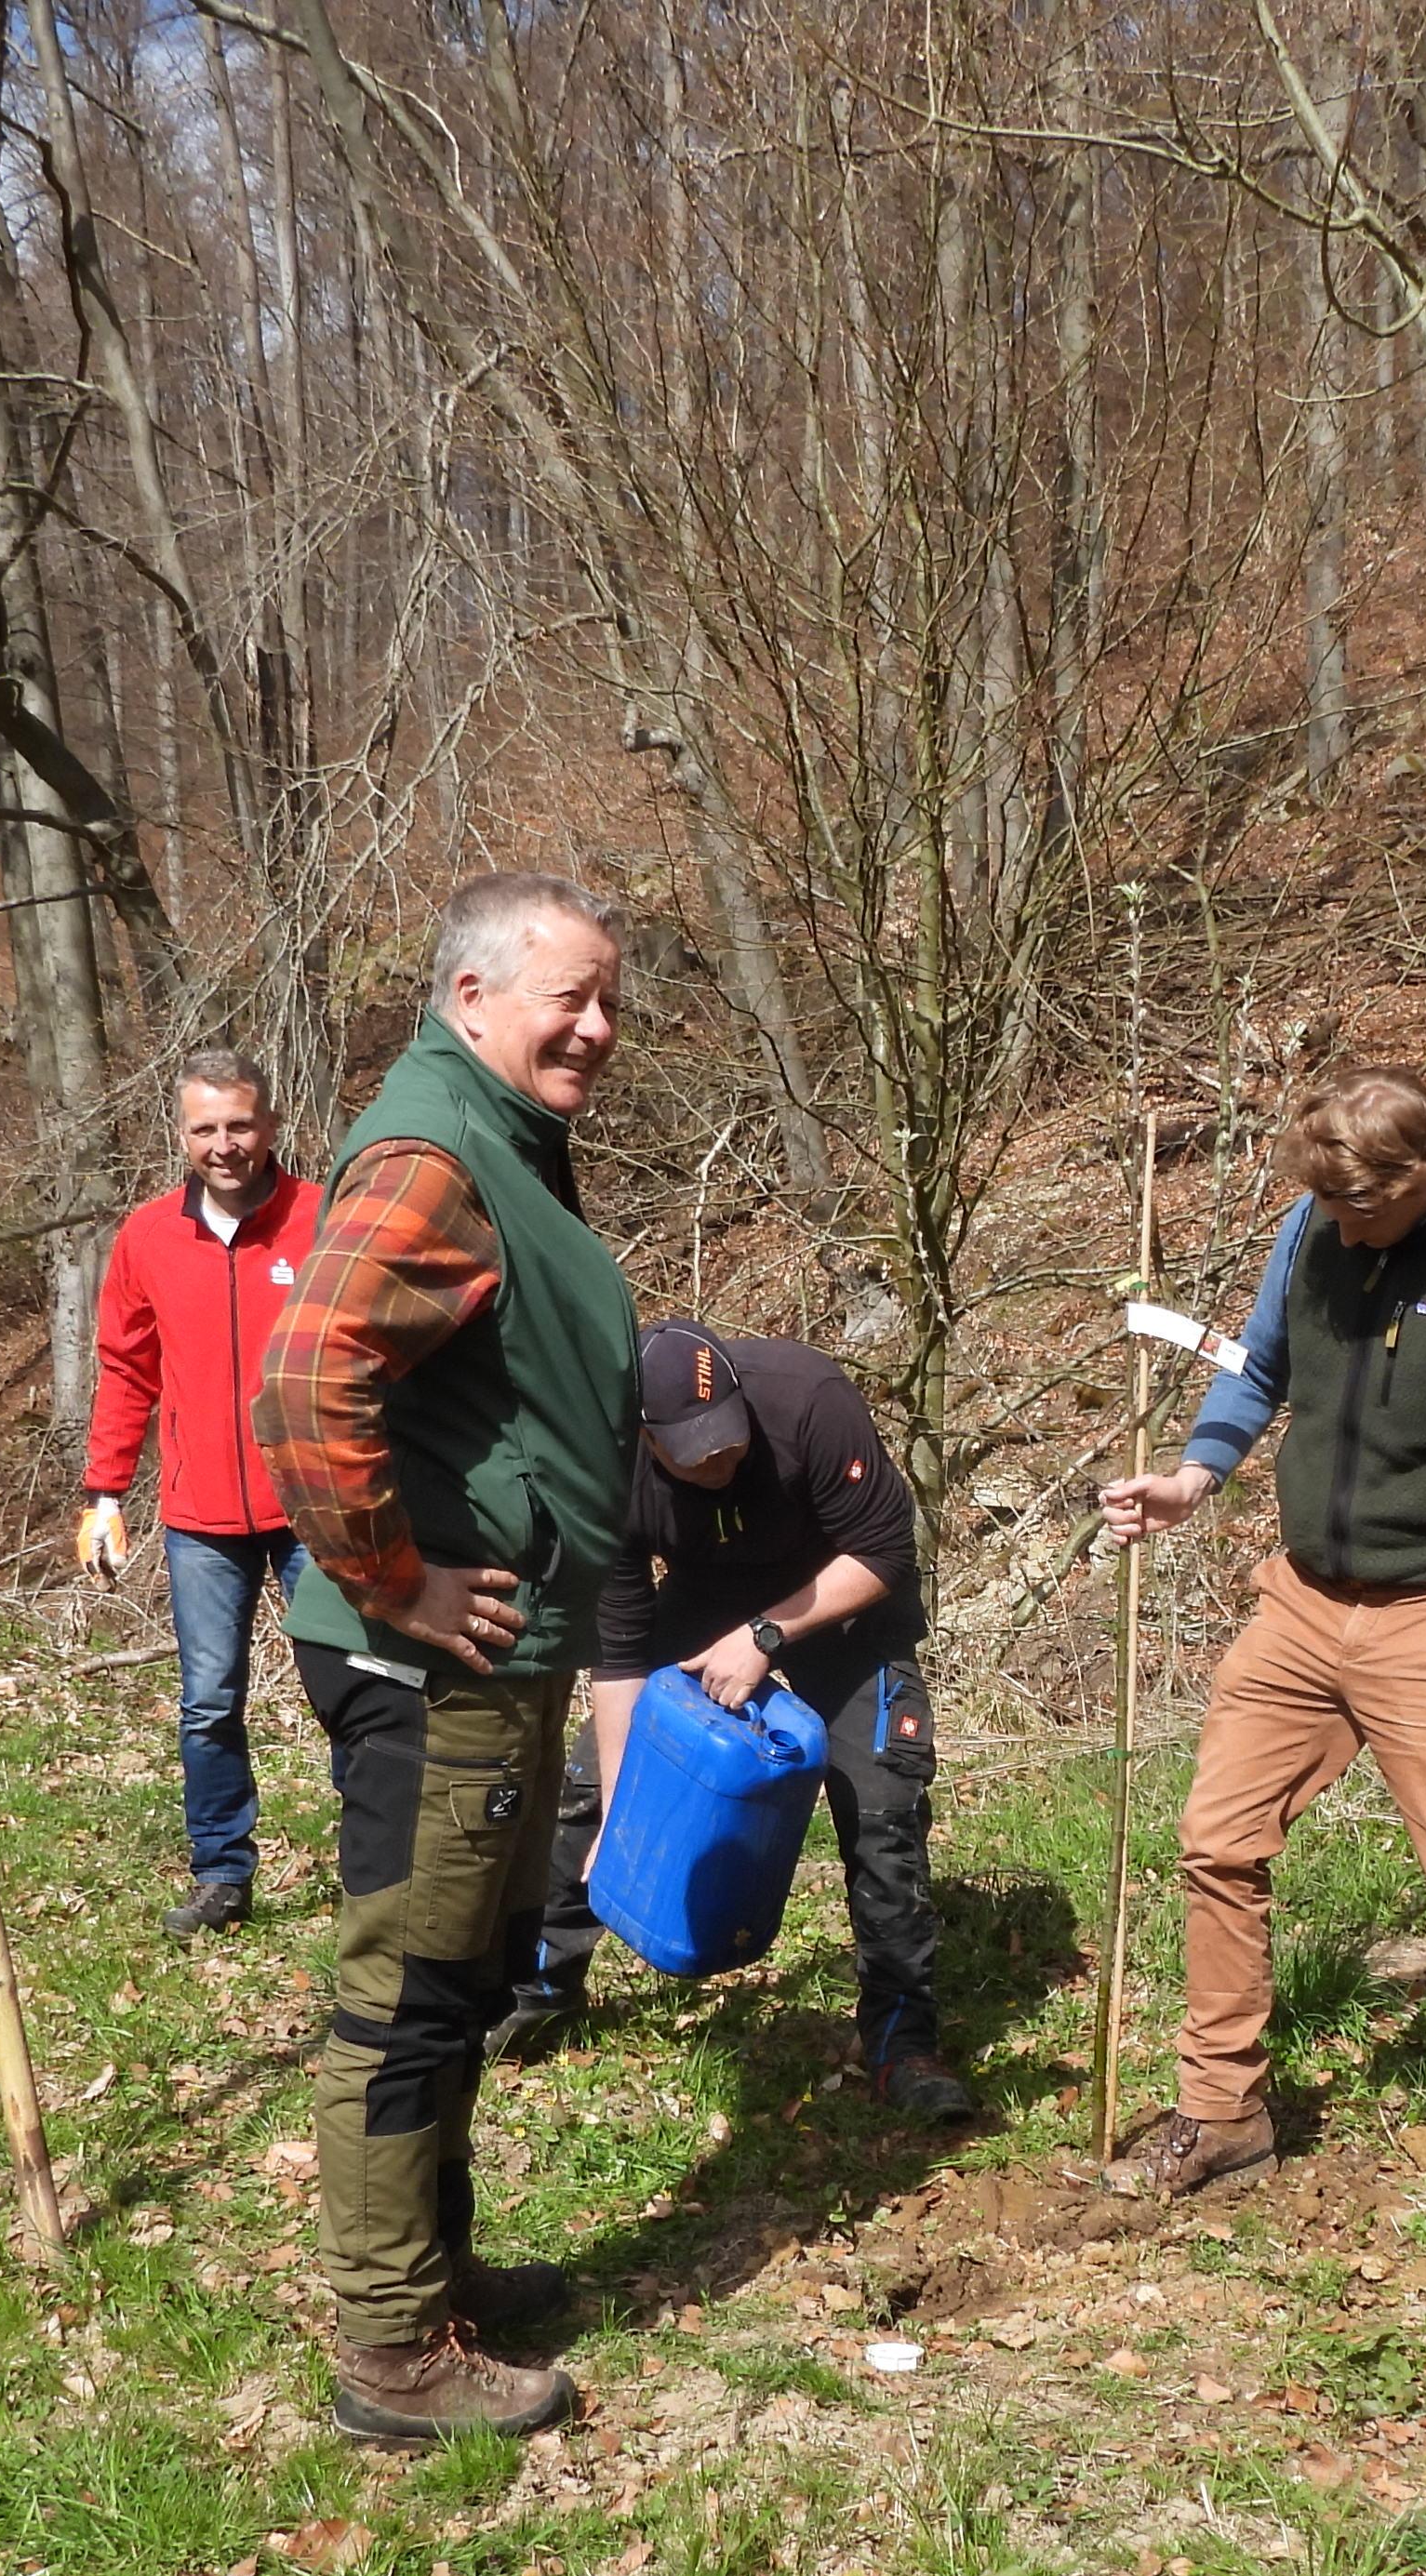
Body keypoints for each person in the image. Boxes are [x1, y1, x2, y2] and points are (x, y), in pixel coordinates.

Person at [248, 874, 642, 2444]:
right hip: (433, 1665)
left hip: (502, 1648)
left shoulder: (500, 1139)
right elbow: (304, 1375)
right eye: (569, 997)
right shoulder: (435, 1152)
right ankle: (391, 2351)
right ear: (472, 998)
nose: (596, 1027)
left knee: (464, 1974)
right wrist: (391, 1578)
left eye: (608, 1001)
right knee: (408, 1993)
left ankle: (437, 2271)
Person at [1099, 1067, 1426, 2210]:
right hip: (1301, 1602)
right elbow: (1260, 1366)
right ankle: (1224, 2111)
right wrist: (1195, 1475)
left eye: (1356, 1208)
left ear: (1421, 1174)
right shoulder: (1312, 1227)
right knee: (1216, 1843)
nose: (1336, 1227)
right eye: (1324, 1205)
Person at [491, 1321, 977, 2123]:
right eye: (694, 1451)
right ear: (648, 1437)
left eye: (727, 1439)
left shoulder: (808, 1400)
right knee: (591, 1788)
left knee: (882, 1810)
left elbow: (887, 1551)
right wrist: (620, 1808)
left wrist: (766, 1637)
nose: (717, 1459)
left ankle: (903, 2042)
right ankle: (538, 1991)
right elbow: (620, 1653)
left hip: (841, 1598)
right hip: (706, 1600)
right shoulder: (604, 1466)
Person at [76, 1056, 330, 1939]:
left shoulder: (322, 1217)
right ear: (182, 1136)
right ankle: (223, 1872)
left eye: (239, 1125)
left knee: (350, 1686)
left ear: (270, 1126)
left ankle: (383, 1865)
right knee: (209, 1702)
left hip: (315, 1506)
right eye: (205, 1129)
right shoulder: (147, 1237)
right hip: (200, 1517)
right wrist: (106, 1492)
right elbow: (126, 1369)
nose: (224, 1145)